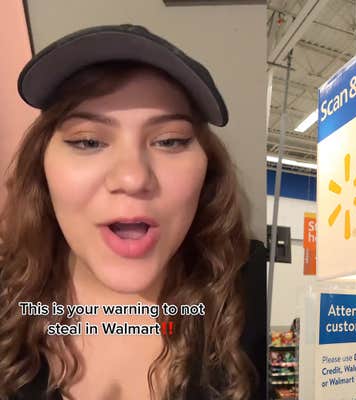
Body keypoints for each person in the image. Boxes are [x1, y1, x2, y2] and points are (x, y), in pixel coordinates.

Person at [0, 25, 266, 399]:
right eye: (88, 141)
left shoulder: (256, 290)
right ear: (42, 170)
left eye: (170, 140)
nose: (133, 177)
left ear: (208, 171)